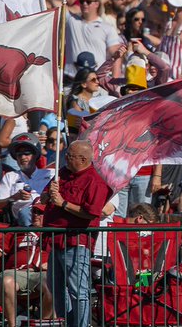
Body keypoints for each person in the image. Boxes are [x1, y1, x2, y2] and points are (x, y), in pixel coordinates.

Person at [42, 140, 114, 327]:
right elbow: (42, 198)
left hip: (75, 241)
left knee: (78, 291)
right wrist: (48, 194)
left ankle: (81, 324)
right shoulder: (62, 173)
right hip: (54, 239)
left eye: (70, 156)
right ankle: (67, 322)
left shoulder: (95, 180)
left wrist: (63, 203)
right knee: (55, 288)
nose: (65, 158)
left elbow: (92, 212)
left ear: (83, 159)